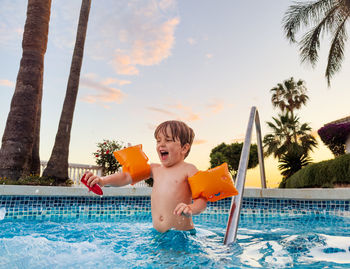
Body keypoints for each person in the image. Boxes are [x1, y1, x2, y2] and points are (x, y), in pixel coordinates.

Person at [84, 120, 207, 233]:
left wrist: (190, 208)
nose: (161, 145)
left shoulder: (189, 170)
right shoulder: (155, 169)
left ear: (184, 148)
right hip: (157, 234)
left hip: (181, 234)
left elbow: (201, 200)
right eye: (158, 141)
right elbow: (126, 177)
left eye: (168, 140)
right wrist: (103, 180)